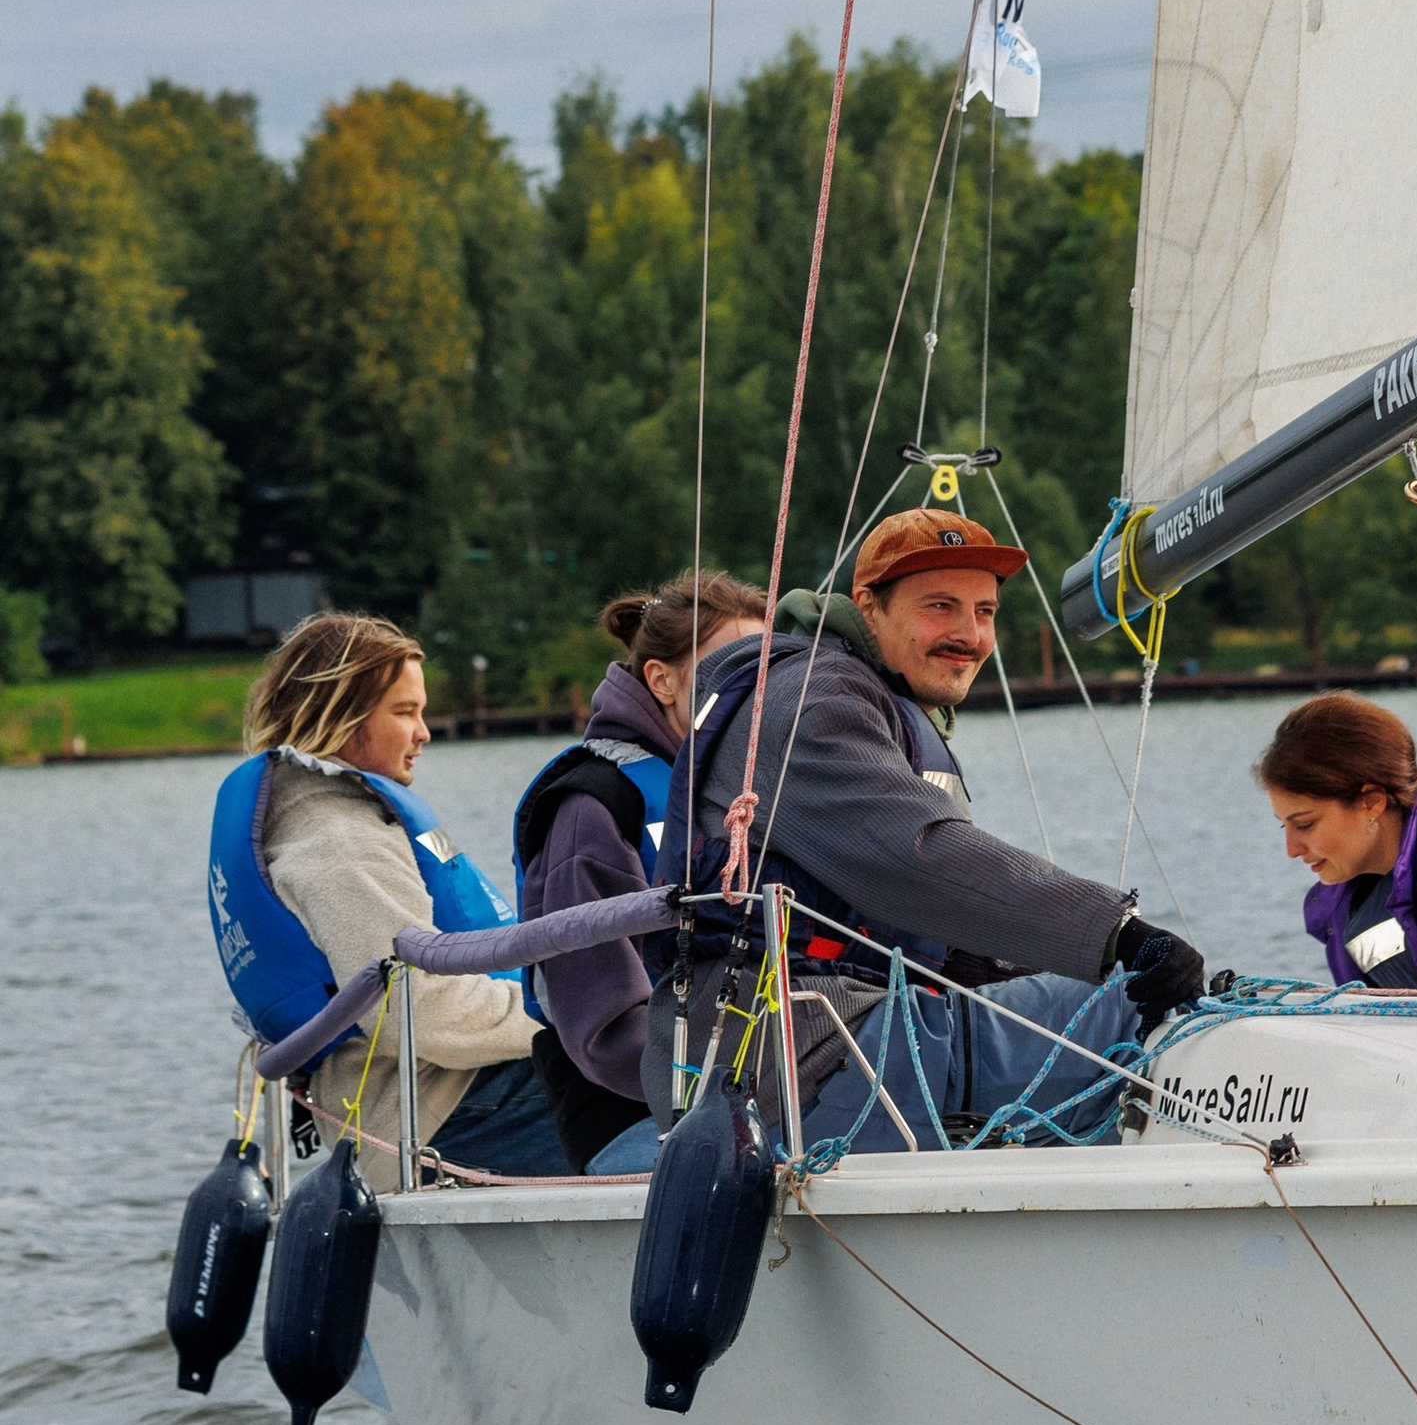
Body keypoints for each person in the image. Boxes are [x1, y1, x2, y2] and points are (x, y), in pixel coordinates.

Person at [650, 501, 1209, 1153]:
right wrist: (1118, 935)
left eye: (985, 612)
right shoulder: (812, 704)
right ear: (869, 605)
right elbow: (918, 860)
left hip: (843, 1036)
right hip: (802, 1060)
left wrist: (1032, 954)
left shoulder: (854, 693)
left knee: (1099, 992)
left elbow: (913, 914)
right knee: (1134, 1007)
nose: (969, 634)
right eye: (939, 606)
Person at [207, 613, 574, 1179]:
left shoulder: (316, 819)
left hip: (419, 1100)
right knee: (666, 1088)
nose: (423, 732)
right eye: (404, 713)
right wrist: (580, 1019)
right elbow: (419, 1009)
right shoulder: (339, 844)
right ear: (343, 716)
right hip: (425, 1116)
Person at [511, 568, 767, 1175]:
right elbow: (602, 1023)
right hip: (633, 1118)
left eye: (768, 672)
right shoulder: (595, 807)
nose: (756, 696)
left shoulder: (742, 793)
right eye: (733, 669)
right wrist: (752, 1076)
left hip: (756, 1091)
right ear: (662, 679)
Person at [1257, 696, 1417, 988]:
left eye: (1305, 824)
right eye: (1283, 825)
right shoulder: (1345, 906)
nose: (1292, 849)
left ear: (1372, 803)